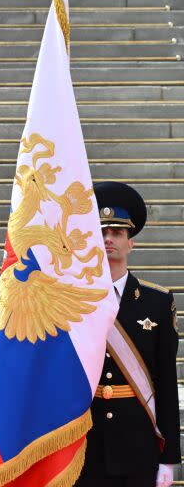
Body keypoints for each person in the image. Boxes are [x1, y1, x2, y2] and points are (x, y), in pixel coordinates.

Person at [75, 181, 180, 487]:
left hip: (138, 444)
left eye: (117, 233)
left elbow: (165, 381)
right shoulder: (71, 300)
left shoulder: (157, 302)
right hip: (85, 442)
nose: (109, 239)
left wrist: (169, 456)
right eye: (102, 233)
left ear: (130, 242)